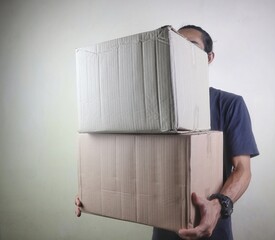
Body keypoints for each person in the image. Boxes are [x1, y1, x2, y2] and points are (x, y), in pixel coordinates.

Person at [75, 25, 259, 240]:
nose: (182, 53)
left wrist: (219, 205)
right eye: (176, 46)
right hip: (165, 231)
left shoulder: (229, 104)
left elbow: (242, 170)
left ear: (209, 57)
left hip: (213, 231)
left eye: (191, 47)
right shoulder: (155, 107)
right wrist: (95, 190)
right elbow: (133, 160)